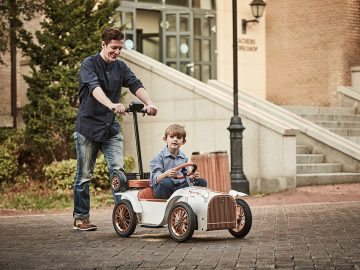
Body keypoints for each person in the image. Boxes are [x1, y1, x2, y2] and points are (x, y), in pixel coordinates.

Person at [73, 28, 157, 231]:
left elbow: (135, 84)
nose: (117, 52)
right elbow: (94, 88)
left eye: (120, 48)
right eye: (113, 48)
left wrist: (149, 102)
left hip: (110, 129)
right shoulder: (89, 64)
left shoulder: (121, 67)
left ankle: (124, 217)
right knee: (84, 176)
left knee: (118, 173)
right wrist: (111, 104)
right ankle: (81, 218)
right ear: (103, 45)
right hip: (88, 128)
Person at [150, 124, 207, 199]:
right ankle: (168, 205)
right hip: (162, 188)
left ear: (183, 141)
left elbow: (185, 176)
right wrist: (166, 174)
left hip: (178, 188)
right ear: (165, 139)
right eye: (171, 137)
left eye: (178, 138)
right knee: (167, 182)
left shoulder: (184, 157)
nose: (175, 139)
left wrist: (191, 176)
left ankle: (195, 202)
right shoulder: (159, 157)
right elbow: (155, 180)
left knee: (201, 182)